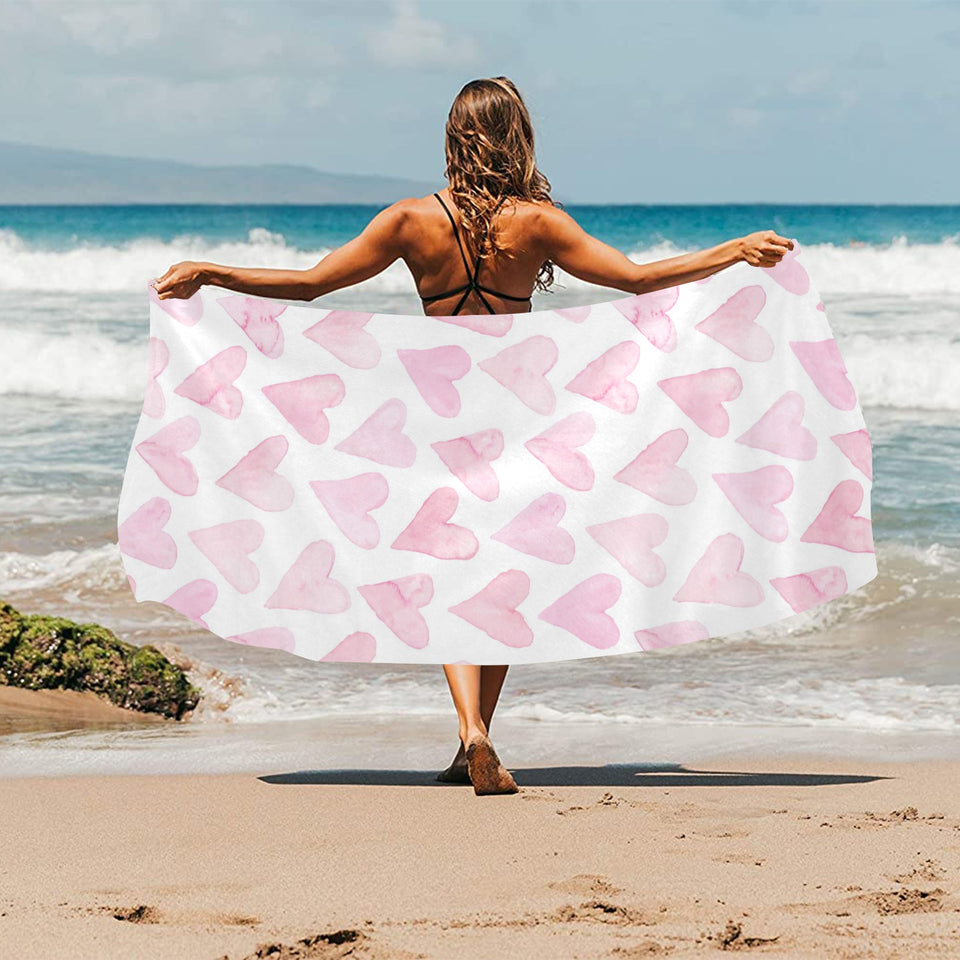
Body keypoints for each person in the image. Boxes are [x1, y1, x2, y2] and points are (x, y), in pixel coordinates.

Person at [153, 76, 794, 796]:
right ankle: (478, 734)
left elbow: (310, 286)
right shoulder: (539, 223)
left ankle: (471, 736)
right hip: (519, 417)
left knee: (450, 576)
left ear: (456, 136)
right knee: (496, 579)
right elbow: (639, 281)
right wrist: (734, 250)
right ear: (517, 136)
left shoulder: (407, 220)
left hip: (438, 416)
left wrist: (212, 272)